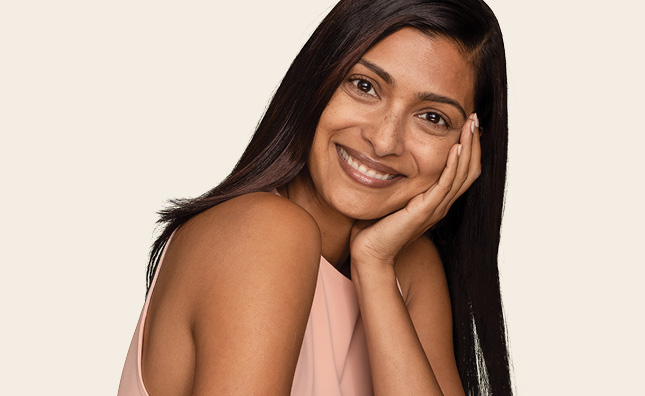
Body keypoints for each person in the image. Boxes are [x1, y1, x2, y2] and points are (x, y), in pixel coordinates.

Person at [118, 0, 512, 394]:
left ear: (469, 146)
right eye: (364, 86)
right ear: (318, 80)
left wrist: (373, 265)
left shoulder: (407, 267)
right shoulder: (263, 233)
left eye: (432, 117)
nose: (383, 140)